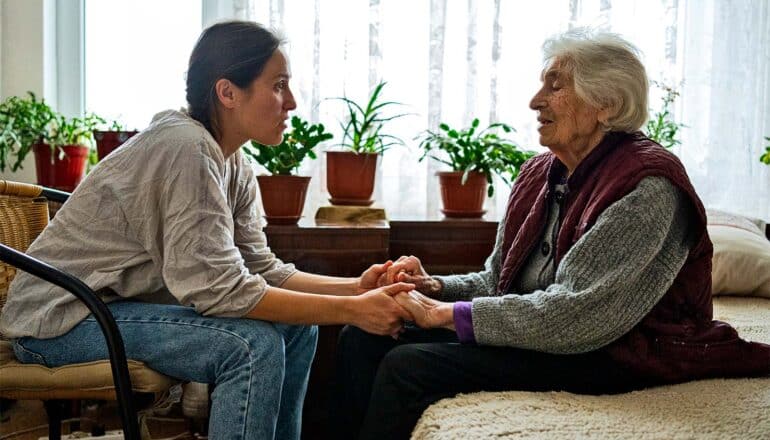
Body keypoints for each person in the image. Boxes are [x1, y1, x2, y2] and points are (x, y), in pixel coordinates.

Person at [331, 28, 770, 439]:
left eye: (555, 86)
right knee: (363, 334)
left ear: (609, 104)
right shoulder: (540, 173)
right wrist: (433, 288)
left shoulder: (647, 186)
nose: (535, 101)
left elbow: (580, 315)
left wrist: (441, 314)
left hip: (616, 350)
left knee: (409, 366)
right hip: (551, 333)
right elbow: (498, 282)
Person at [0, 21, 415, 440]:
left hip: (106, 309)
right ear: (228, 92)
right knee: (251, 347)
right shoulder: (185, 148)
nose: (291, 102)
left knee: (298, 327)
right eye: (278, 85)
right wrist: (353, 312)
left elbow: (260, 268)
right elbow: (220, 290)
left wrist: (356, 289)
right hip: (58, 323)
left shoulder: (231, 162)